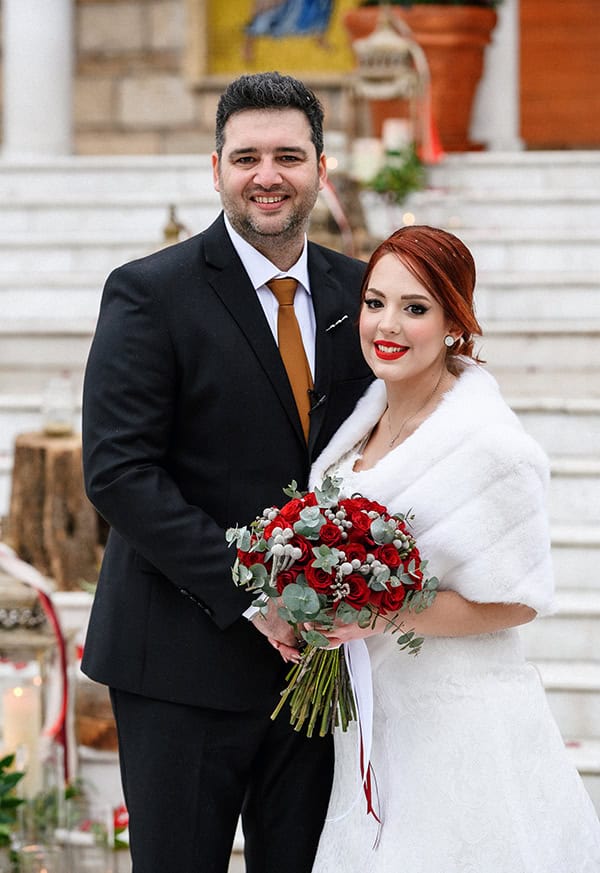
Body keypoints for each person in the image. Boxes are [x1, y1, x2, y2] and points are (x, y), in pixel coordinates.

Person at [80, 71, 372, 873]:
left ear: (322, 167)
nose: (267, 175)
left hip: (319, 670)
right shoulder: (149, 293)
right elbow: (118, 472)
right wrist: (255, 592)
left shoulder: (364, 291)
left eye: (288, 155)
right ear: (216, 170)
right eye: (246, 157)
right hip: (179, 659)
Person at [306, 225, 600, 872]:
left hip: (458, 721)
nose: (388, 324)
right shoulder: (360, 418)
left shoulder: (491, 445)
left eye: (416, 308)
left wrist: (382, 613)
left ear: (453, 324)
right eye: (376, 301)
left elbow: (516, 603)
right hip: (368, 725)